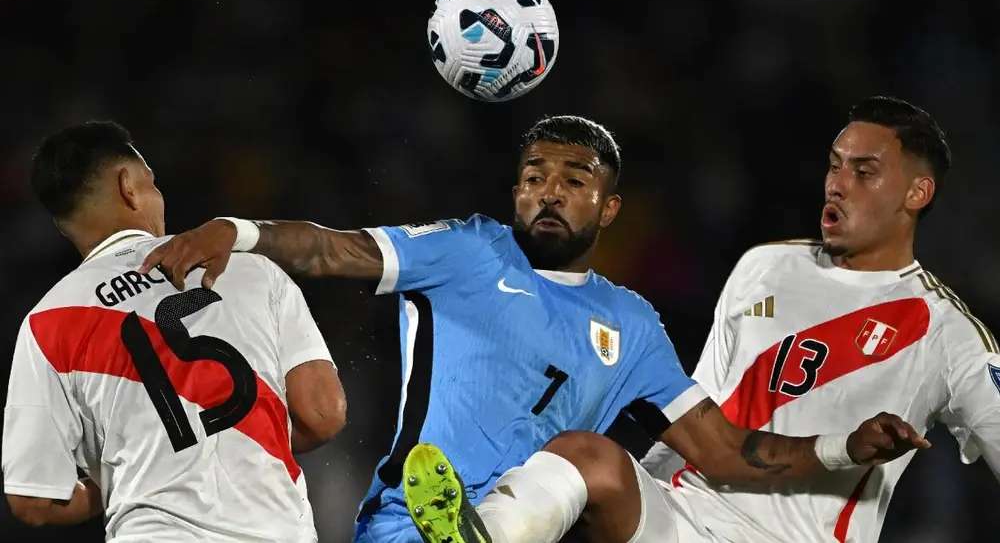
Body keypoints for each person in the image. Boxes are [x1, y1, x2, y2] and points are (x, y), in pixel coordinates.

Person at [138, 115, 927, 543]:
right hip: (409, 527)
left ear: (609, 208)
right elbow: (329, 248)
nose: (548, 192)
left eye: (573, 181)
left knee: (593, 465)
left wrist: (842, 448)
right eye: (532, 177)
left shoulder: (630, 324)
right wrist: (237, 231)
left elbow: (725, 450)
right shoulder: (466, 251)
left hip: (538, 527)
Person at [401, 96, 1000, 543]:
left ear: (917, 193)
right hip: (681, 515)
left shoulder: (948, 334)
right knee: (587, 456)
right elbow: (700, 407)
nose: (837, 185)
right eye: (834, 165)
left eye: (863, 172)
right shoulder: (765, 266)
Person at [2, 121, 347, 542]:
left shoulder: (46, 321)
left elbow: (32, 500)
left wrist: (125, 476)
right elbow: (322, 415)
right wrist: (237, 444)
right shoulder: (246, 268)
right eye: (153, 183)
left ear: (63, 224)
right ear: (128, 186)